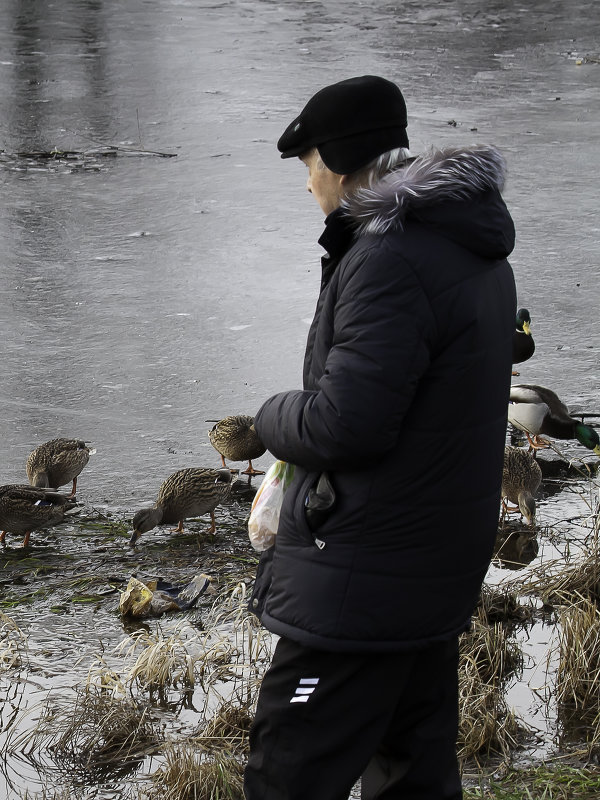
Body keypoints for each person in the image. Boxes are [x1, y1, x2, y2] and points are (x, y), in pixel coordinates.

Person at [244, 76, 517, 799]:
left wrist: (270, 418)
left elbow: (346, 424)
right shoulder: (464, 241)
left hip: (361, 582)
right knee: (411, 774)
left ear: (337, 161)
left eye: (308, 167)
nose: (308, 186)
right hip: (428, 567)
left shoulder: (390, 257)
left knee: (289, 773)